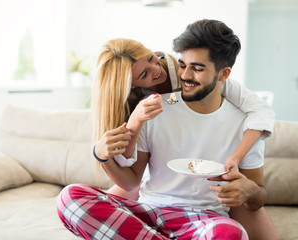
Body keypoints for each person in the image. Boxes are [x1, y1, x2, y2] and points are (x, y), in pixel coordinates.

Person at [57, 20, 278, 239]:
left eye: (197, 68)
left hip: (202, 219)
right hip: (150, 211)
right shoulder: (151, 109)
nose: (184, 76)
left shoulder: (248, 125)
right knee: (70, 197)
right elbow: (131, 179)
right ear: (131, 84)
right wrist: (104, 152)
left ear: (223, 74)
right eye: (183, 65)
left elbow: (258, 193)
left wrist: (248, 189)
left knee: (233, 232)